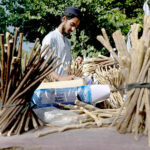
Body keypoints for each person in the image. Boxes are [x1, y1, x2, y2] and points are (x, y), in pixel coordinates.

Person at [42, 7, 81, 81]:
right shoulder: (51, 38)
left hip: (66, 87)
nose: (73, 29)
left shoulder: (68, 42)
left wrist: (75, 63)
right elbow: (43, 65)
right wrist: (60, 78)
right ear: (64, 19)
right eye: (72, 24)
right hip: (53, 88)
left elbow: (65, 66)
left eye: (75, 26)